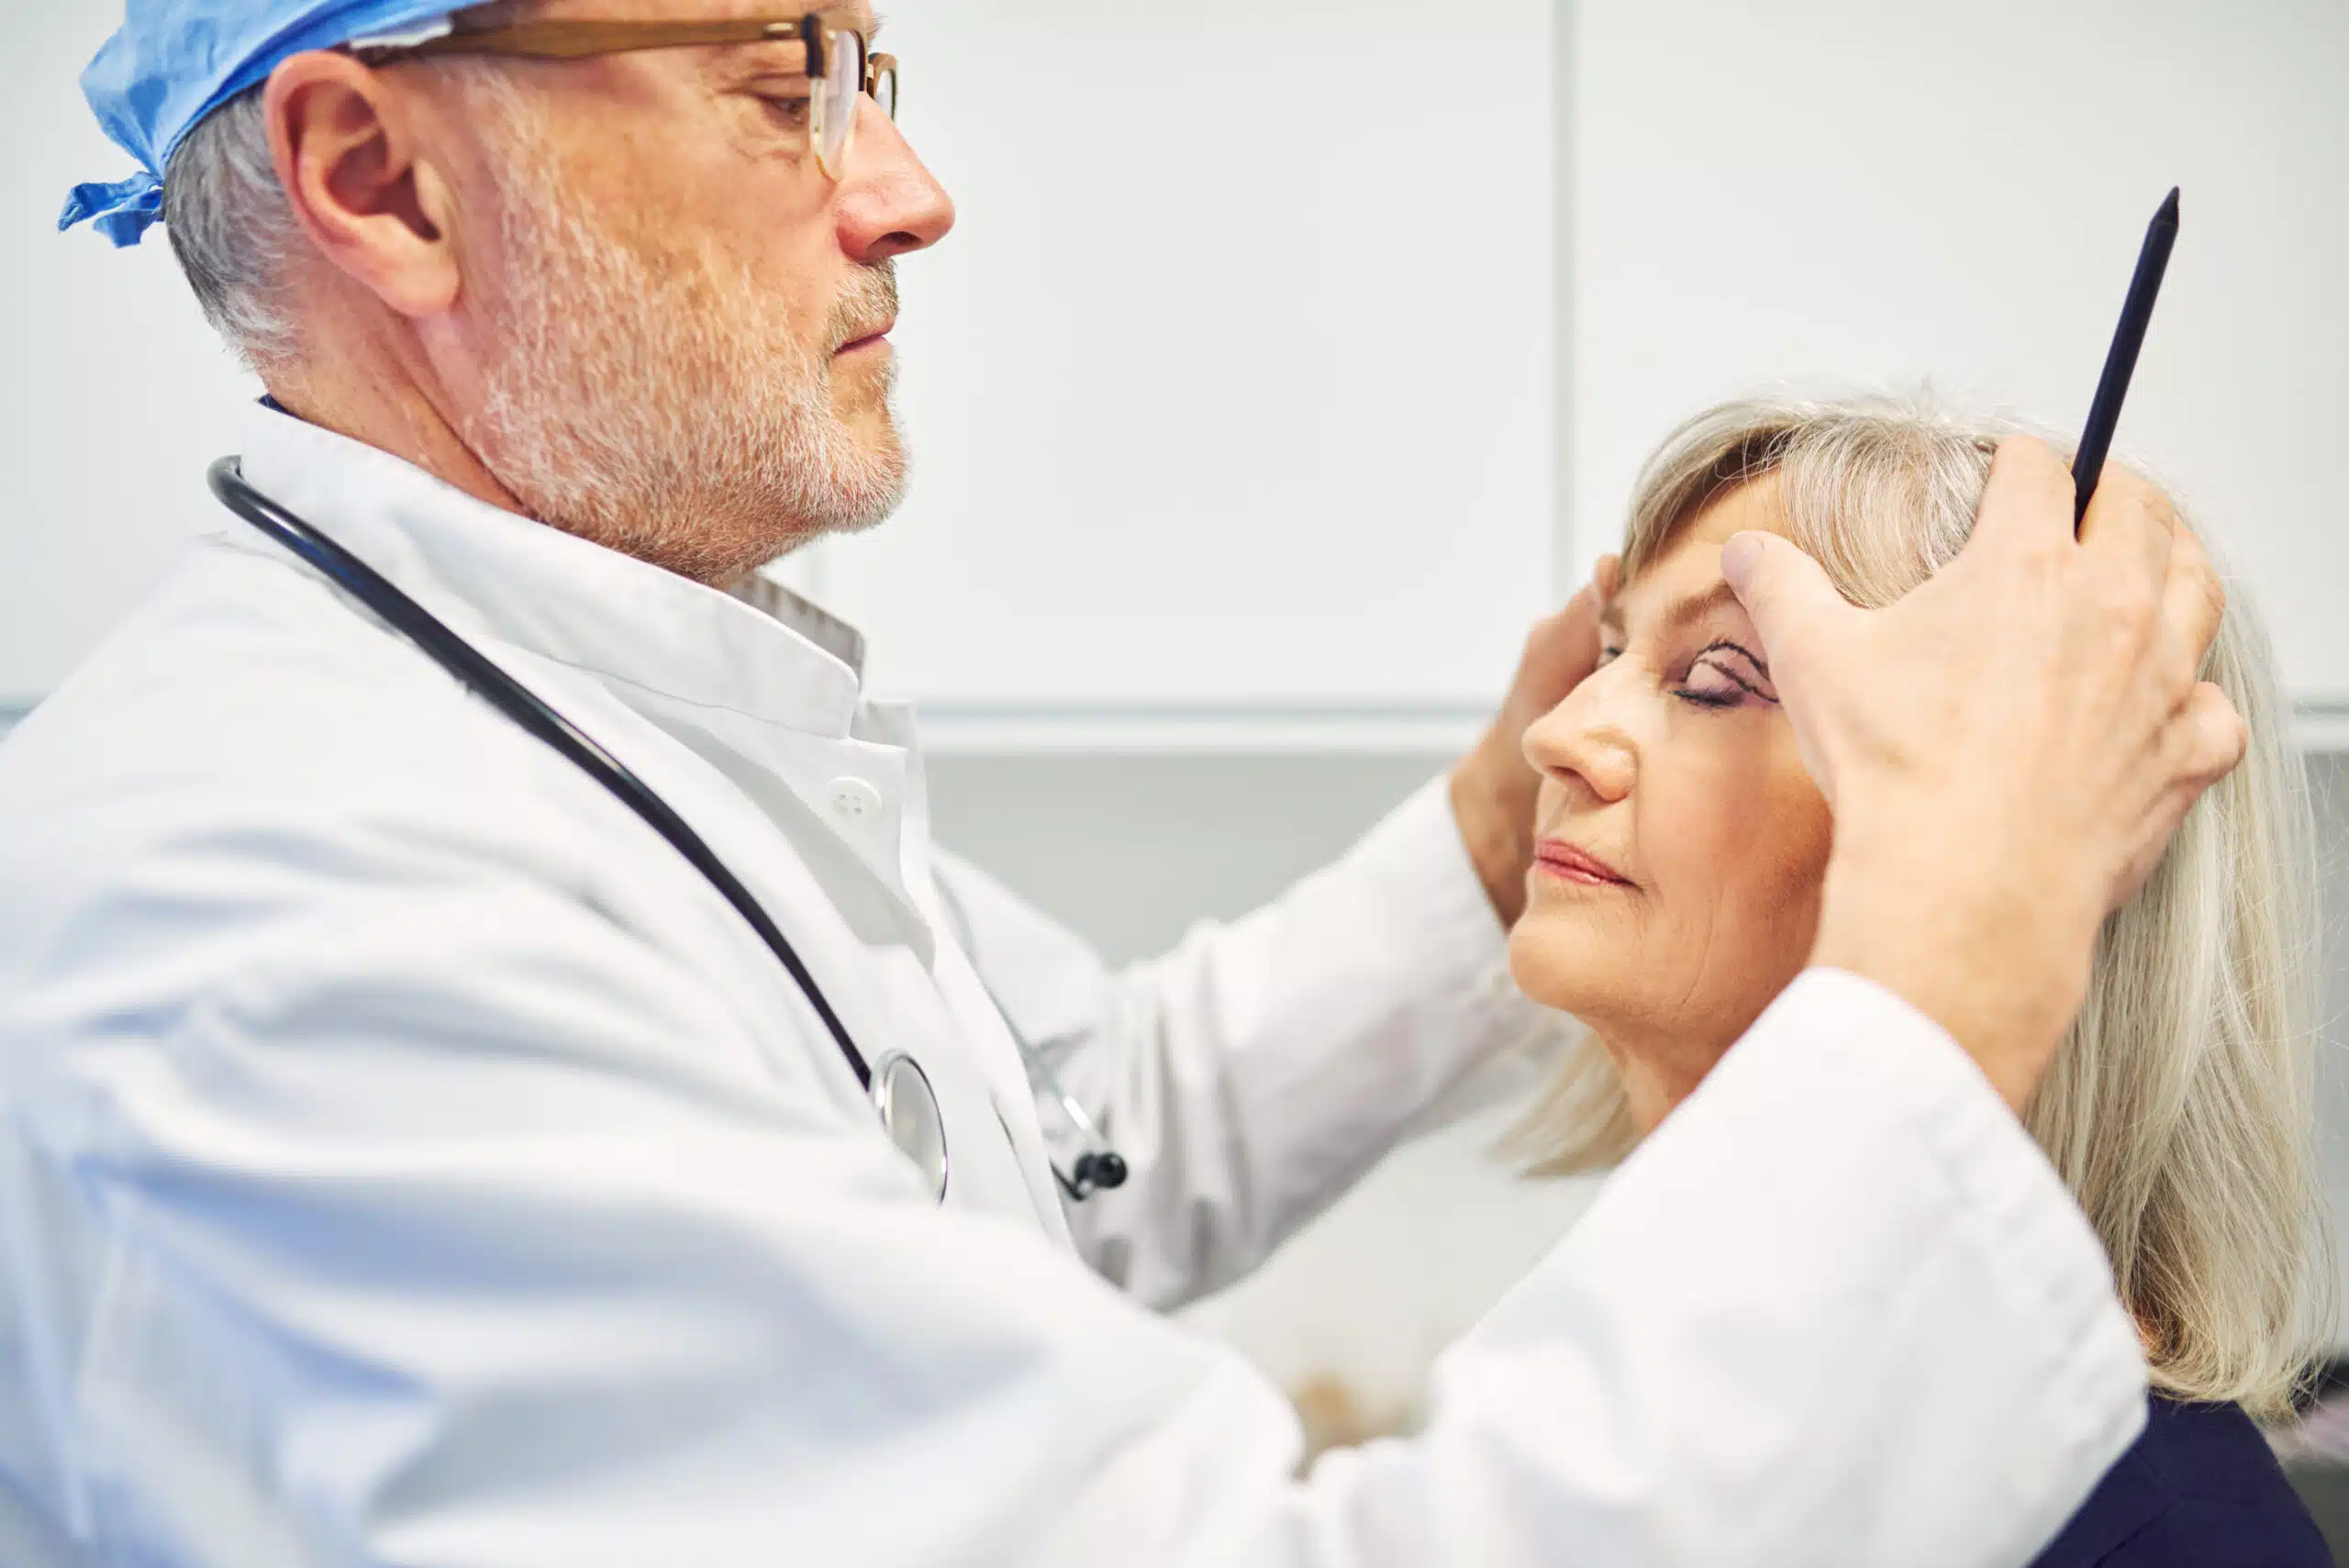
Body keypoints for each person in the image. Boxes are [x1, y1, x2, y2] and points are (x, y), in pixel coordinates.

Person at [0, 2, 2247, 1562]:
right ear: (375, 179)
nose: (908, 189)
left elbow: (1067, 1139)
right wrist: (1946, 957)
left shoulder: (587, 748)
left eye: (872, 68)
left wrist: (1493, 843)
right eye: (783, 78)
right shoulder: (283, 925)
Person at [1510, 392, 2333, 1566]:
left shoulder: (2172, 1541)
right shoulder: (1635, 1394)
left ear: (2064, 837)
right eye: (1608, 652)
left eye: (1715, 676)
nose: (1560, 730)